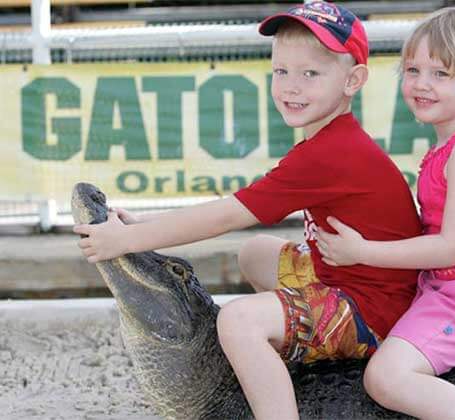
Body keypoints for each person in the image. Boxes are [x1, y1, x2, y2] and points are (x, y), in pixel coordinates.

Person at [73, 2, 422, 419]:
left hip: (374, 312)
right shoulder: (329, 138)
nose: (291, 86)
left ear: (353, 80)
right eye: (281, 71)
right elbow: (237, 213)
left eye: (310, 73)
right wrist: (145, 225)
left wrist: (128, 239)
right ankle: (286, 354)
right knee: (254, 253)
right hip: (354, 278)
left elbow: (227, 215)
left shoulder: (332, 152)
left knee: (238, 323)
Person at [316, 7, 455, 420]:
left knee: (385, 378)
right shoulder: (447, 146)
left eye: (441, 74)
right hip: (441, 288)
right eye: (413, 70)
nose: (421, 84)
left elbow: (451, 248)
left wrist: (363, 251)